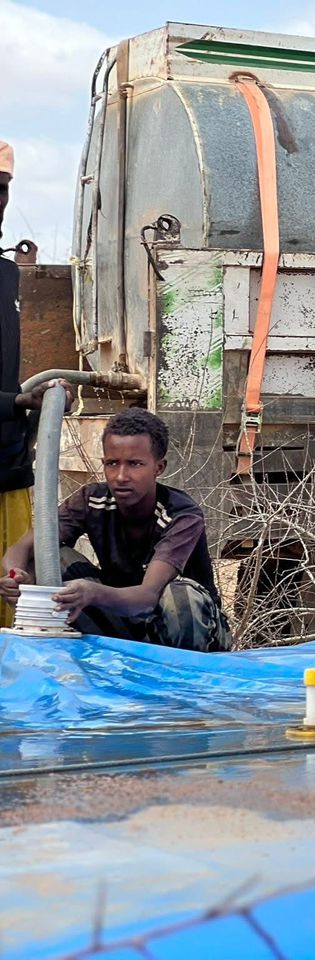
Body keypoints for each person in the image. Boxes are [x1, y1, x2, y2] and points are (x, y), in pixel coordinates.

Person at [0, 408, 232, 651]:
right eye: (112, 463)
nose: (121, 476)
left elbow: (147, 597)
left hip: (187, 634)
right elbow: (22, 548)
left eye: (135, 464)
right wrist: (16, 576)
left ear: (159, 467)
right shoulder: (92, 499)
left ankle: (181, 672)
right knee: (48, 557)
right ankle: (91, 658)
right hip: (122, 620)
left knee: (181, 598)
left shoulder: (181, 514)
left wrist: (92, 592)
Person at [0, 139, 54, 629]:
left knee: (17, 607)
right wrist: (16, 400)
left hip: (9, 471)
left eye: (2, 189)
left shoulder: (7, 274)